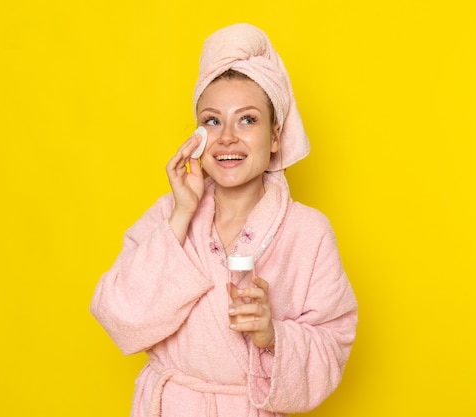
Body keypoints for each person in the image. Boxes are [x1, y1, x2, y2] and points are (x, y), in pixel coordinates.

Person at [90, 23, 358, 417]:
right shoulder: (168, 214)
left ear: (275, 136)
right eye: (213, 121)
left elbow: (333, 343)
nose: (227, 137)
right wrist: (183, 212)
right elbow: (119, 318)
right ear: (198, 135)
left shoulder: (309, 231)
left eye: (248, 120)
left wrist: (273, 337)